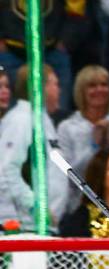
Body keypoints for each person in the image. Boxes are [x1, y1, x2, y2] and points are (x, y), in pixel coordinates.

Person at [0, 64, 67, 229]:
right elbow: (7, 170)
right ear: (40, 86)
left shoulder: (43, 119)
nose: (59, 90)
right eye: (55, 84)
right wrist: (36, 207)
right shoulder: (21, 120)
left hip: (42, 226)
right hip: (23, 227)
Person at [58, 66, 109, 214]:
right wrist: (94, 147)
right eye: (92, 86)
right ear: (81, 91)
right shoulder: (67, 127)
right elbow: (67, 176)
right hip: (79, 207)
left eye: (104, 84)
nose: (99, 90)